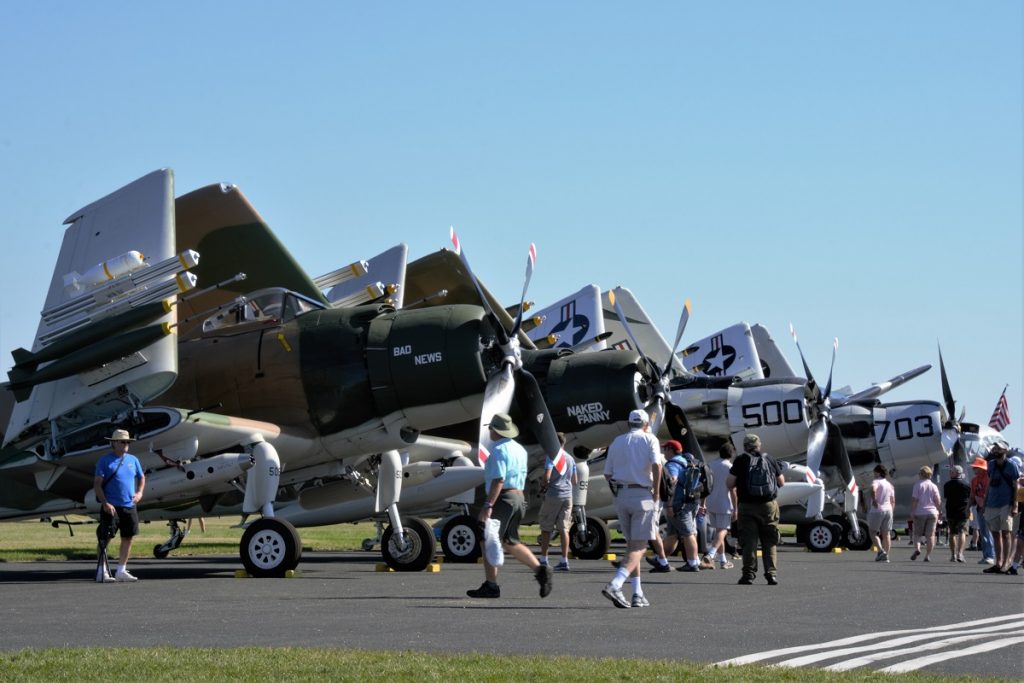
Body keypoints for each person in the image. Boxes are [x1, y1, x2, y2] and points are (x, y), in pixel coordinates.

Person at [467, 413, 552, 599]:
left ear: (495, 431)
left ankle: (491, 585)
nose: (489, 431)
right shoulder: (519, 449)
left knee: (487, 538)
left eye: (490, 428)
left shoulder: (497, 451)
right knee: (510, 541)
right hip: (519, 497)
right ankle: (540, 570)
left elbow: (498, 480)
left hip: (503, 498)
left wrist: (488, 505)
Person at [602, 408, 661, 608]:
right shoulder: (649, 439)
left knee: (632, 546)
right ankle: (616, 583)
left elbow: (607, 474)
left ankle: (637, 593)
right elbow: (657, 465)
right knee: (639, 546)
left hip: (621, 495)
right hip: (642, 494)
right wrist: (656, 491)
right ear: (645, 424)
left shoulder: (617, 441)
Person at [726, 434, 784, 585]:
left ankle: (748, 575)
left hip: (747, 506)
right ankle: (771, 574)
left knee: (749, 542)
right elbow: (781, 482)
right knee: (769, 541)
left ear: (745, 446)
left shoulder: (741, 460)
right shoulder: (769, 458)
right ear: (759, 445)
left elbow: (729, 483)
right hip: (769, 506)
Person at [93, 428, 146, 582]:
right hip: (111, 507)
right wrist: (105, 503)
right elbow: (97, 484)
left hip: (129, 506)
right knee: (105, 539)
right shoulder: (104, 461)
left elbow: (141, 477)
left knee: (128, 537)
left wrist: (140, 493)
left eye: (128, 441)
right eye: (123, 441)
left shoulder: (133, 460)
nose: (126, 444)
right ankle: (101, 571)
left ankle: (121, 570)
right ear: (114, 443)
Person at [537, 433, 578, 572]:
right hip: (568, 496)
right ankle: (564, 560)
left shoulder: (552, 457)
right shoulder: (571, 459)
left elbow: (547, 477)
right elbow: (575, 480)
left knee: (546, 526)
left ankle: (544, 559)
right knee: (564, 528)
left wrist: (543, 484)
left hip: (554, 494)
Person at [980, 441, 1020, 575]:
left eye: (998, 448)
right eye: (995, 447)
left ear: (1005, 450)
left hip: (1006, 503)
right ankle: (998, 562)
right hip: (992, 502)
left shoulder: (1012, 466)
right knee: (995, 534)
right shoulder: (991, 465)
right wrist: (985, 503)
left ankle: (1005, 563)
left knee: (1006, 533)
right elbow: (989, 484)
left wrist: (1015, 505)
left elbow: (1015, 486)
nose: (995, 449)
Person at [704, 442, 738, 569]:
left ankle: (723, 560)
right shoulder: (730, 467)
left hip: (711, 502)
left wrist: (704, 503)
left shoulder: (710, 465)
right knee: (723, 530)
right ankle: (711, 554)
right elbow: (733, 490)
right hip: (724, 502)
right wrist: (735, 508)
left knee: (719, 531)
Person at [909, 465, 941, 562]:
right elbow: (938, 500)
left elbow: (914, 500)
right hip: (932, 512)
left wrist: (912, 511)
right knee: (930, 535)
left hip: (920, 512)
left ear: (921, 474)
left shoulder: (918, 485)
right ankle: (927, 555)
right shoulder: (934, 486)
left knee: (917, 534)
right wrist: (939, 510)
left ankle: (918, 549)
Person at [969, 456, 996, 565]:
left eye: (976, 467)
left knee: (988, 533)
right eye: (974, 467)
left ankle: (991, 556)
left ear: (983, 469)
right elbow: (972, 495)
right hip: (980, 509)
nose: (974, 469)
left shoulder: (988, 478)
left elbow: (990, 494)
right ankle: (986, 555)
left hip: (989, 508)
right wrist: (968, 508)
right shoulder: (974, 480)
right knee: (983, 532)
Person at [867, 464, 896, 563]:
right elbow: (893, 500)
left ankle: (881, 551)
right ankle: (886, 556)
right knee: (886, 534)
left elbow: (872, 489)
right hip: (888, 510)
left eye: (874, 472)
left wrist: (874, 500)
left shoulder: (876, 481)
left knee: (873, 532)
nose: (873, 474)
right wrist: (891, 510)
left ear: (878, 472)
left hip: (877, 510)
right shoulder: (889, 484)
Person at [943, 465, 971, 562]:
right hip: (963, 511)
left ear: (957, 473)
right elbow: (969, 498)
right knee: (962, 532)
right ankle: (960, 553)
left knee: (952, 533)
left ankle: (953, 554)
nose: (950, 473)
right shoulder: (966, 485)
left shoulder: (947, 485)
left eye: (952, 471)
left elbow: (946, 498)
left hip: (951, 511)